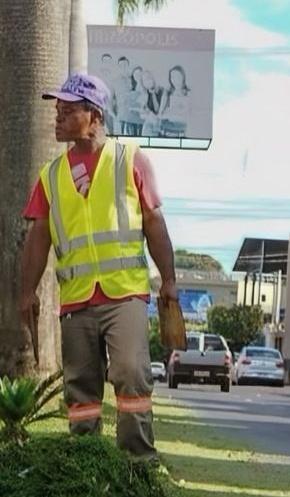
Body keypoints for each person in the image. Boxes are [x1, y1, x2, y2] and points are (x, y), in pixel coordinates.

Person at [19, 72, 177, 461]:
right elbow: (38, 238)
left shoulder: (130, 160)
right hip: (76, 299)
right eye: (57, 110)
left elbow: (154, 222)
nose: (57, 117)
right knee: (81, 385)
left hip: (124, 293)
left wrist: (169, 281)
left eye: (67, 111)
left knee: (129, 371)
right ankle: (86, 459)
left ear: (94, 115)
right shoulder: (51, 176)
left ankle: (137, 462)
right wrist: (26, 292)